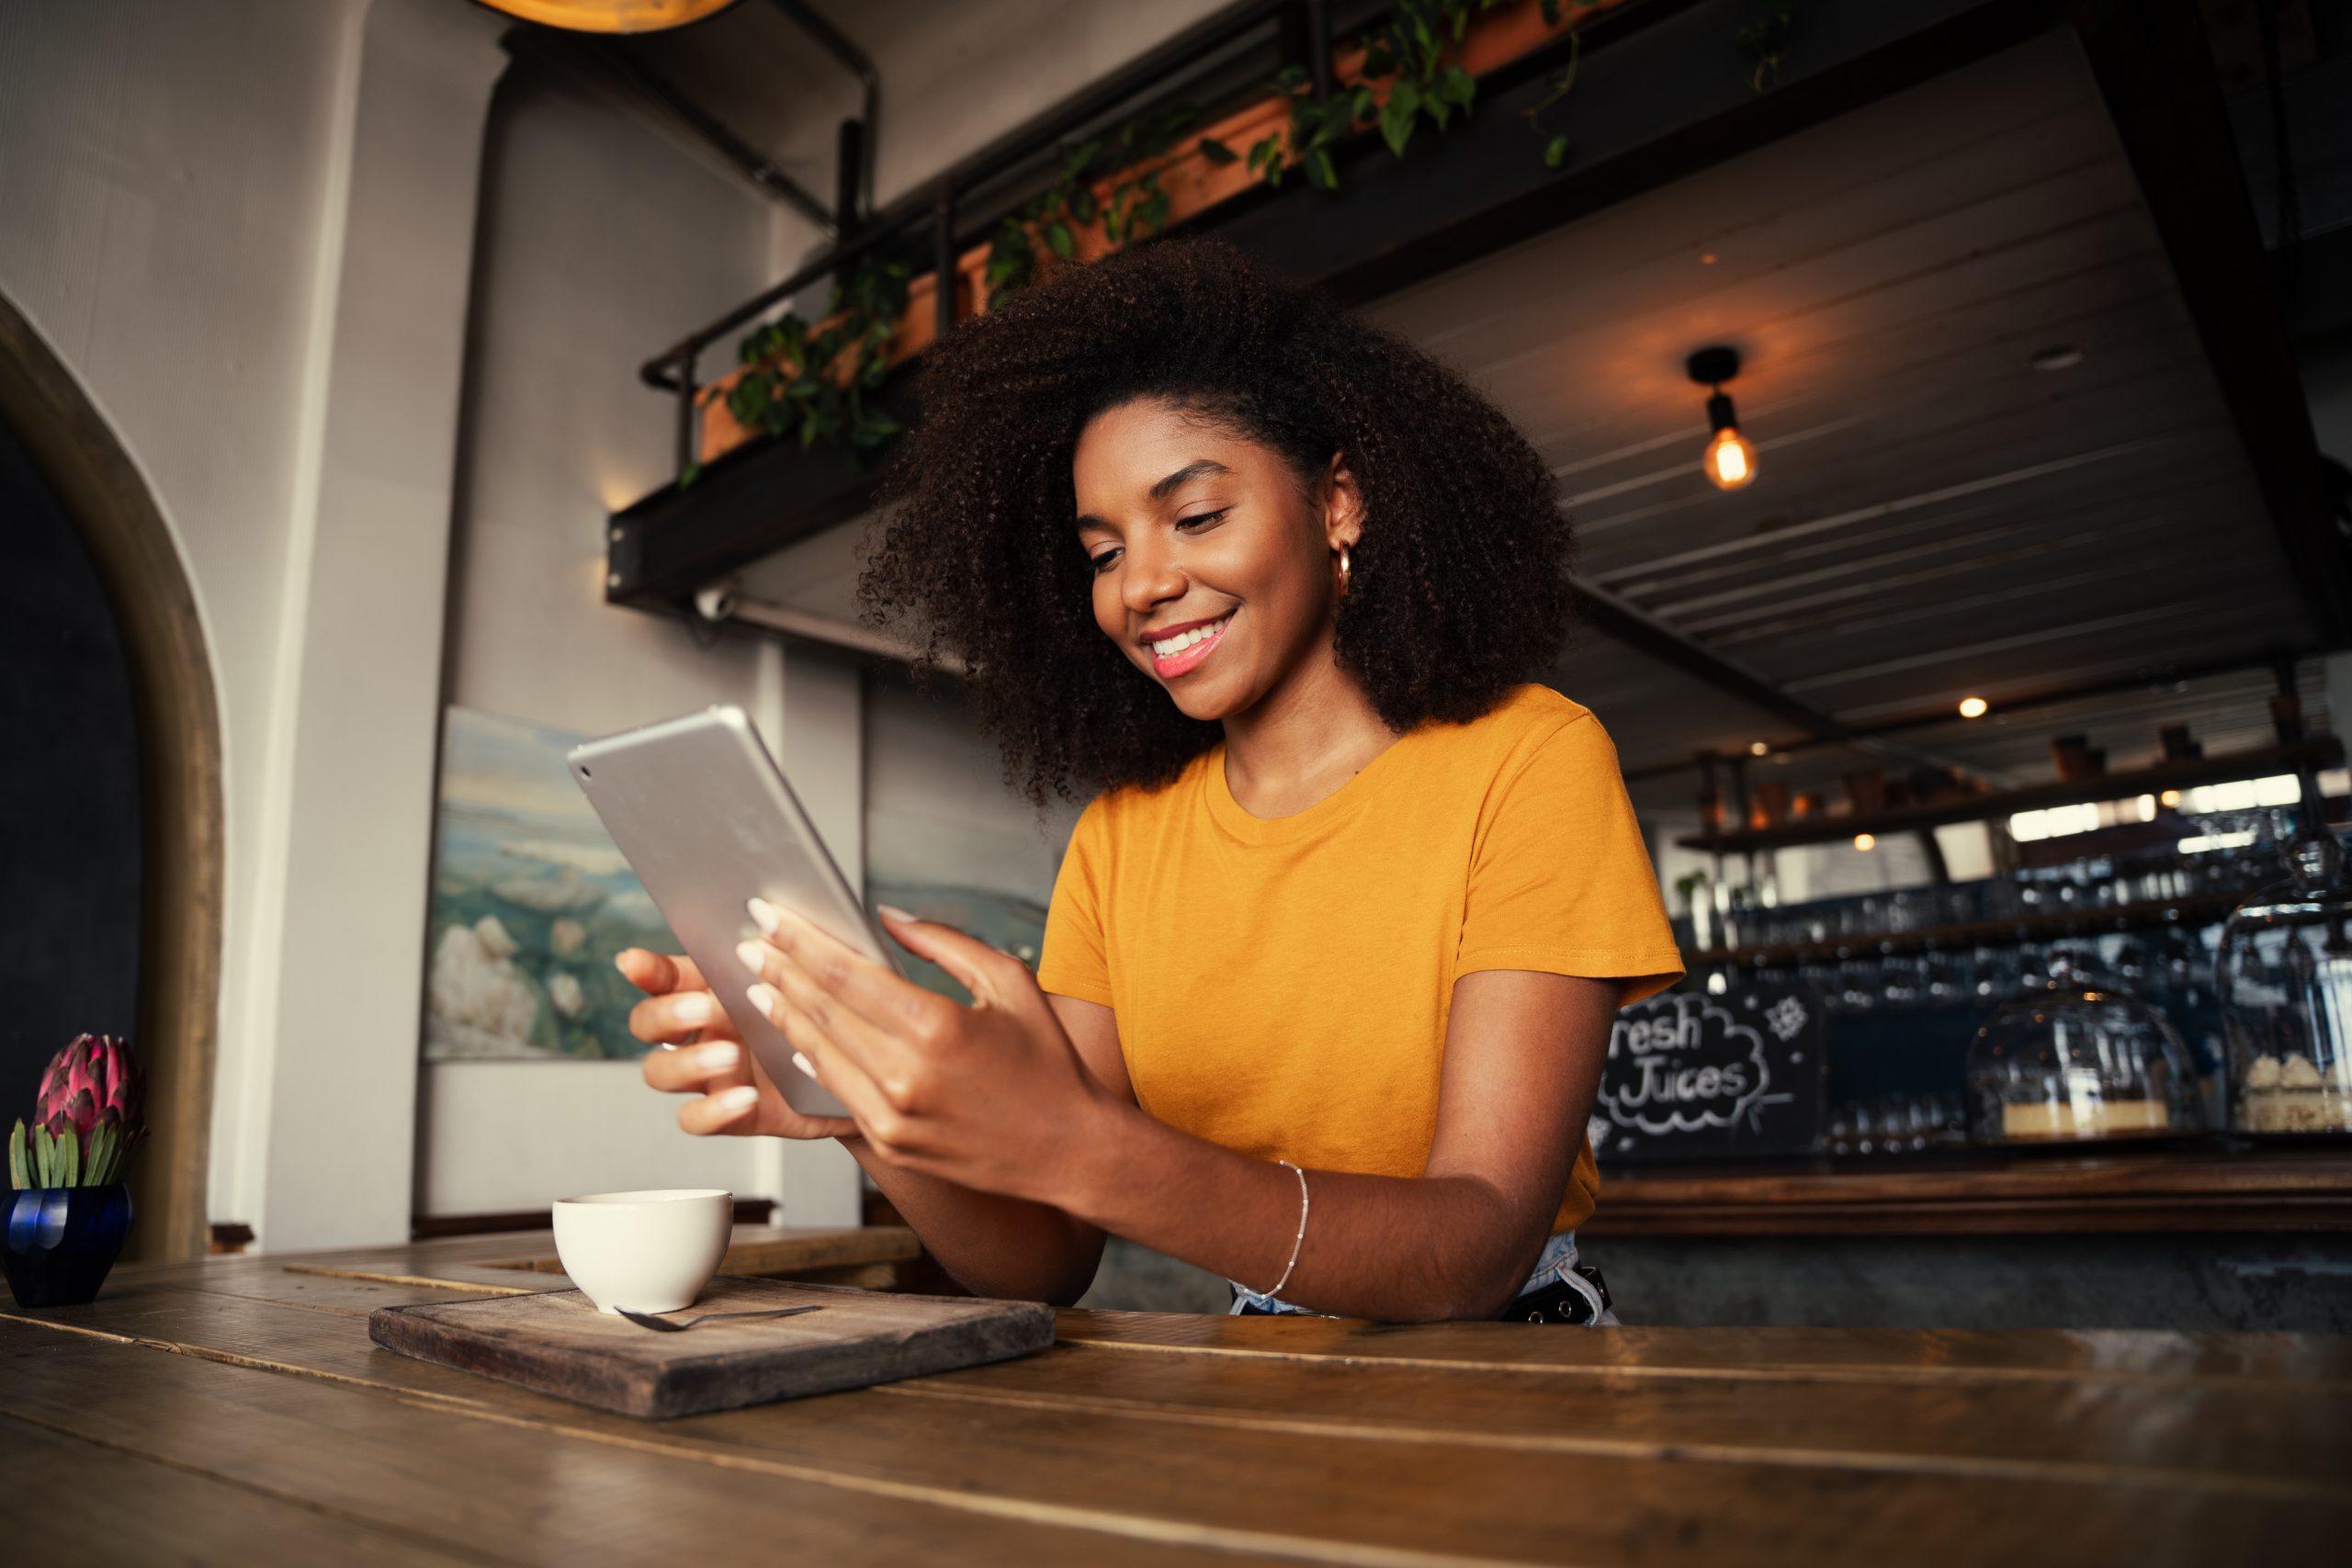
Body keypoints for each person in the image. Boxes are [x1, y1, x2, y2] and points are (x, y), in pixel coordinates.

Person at [619, 238, 1682, 1323]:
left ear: (1339, 505)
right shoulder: (1122, 838)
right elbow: (1044, 1259)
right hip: (1247, 1401)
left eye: (1195, 517)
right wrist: (860, 1108)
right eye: (1103, 552)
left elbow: (1475, 1249)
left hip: (1508, 1390)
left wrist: (1082, 1145)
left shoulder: (1528, 762)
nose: (1145, 585)